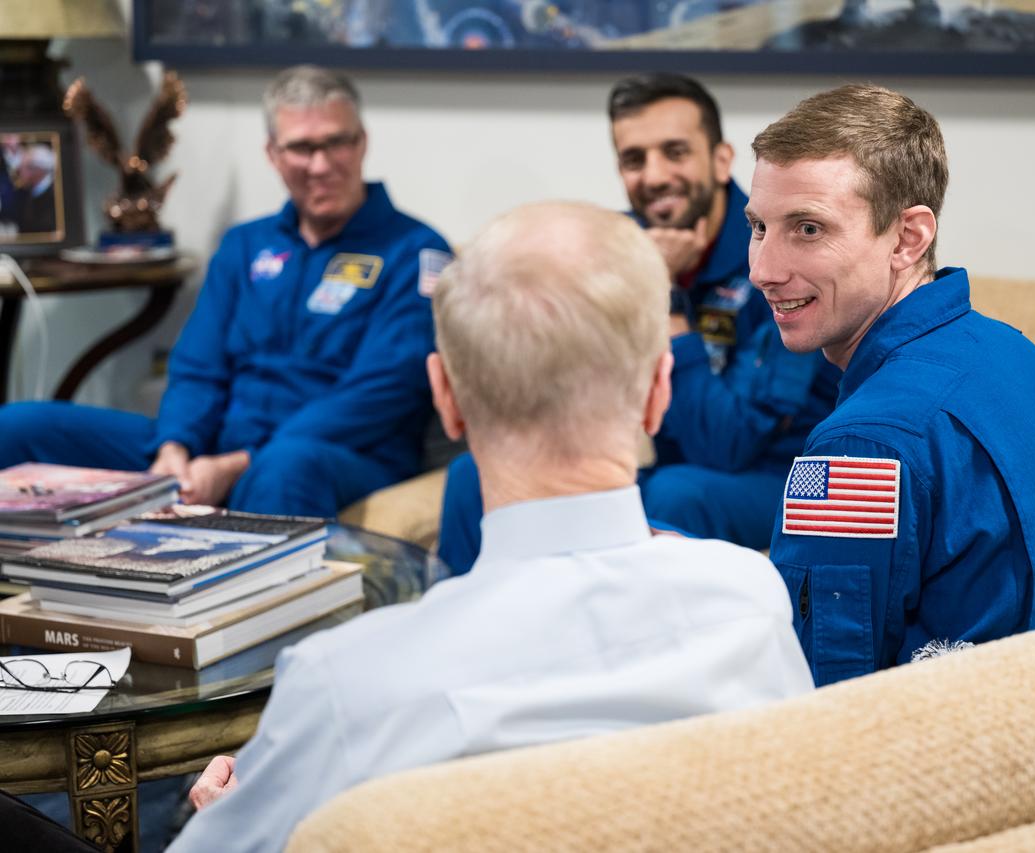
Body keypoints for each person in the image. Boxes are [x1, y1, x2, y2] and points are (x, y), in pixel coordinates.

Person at [166, 201, 814, 852]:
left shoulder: (343, 683)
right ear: (659, 391)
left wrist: (225, 815)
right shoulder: (750, 602)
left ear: (445, 398)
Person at [746, 84, 1035, 687]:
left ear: (908, 238)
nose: (763, 269)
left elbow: (818, 693)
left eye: (807, 229)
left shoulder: (860, 446)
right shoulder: (1014, 352)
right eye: (760, 226)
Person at [0, 66, 452, 518]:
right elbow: (198, 366)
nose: (321, 164)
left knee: (284, 467)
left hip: (338, 455)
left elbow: (384, 391)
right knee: (18, 427)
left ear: (362, 143)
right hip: (215, 444)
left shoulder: (417, 252)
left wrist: (239, 464)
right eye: (301, 147)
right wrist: (175, 447)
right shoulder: (245, 246)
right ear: (273, 154)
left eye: (336, 142)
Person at [436, 73, 838, 573]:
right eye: (634, 160)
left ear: (719, 160)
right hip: (656, 462)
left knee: (676, 492)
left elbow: (728, 443)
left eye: (675, 152)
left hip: (784, 472)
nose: (654, 175)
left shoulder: (775, 248)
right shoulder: (612, 244)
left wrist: (661, 289)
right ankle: (460, 629)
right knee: (471, 476)